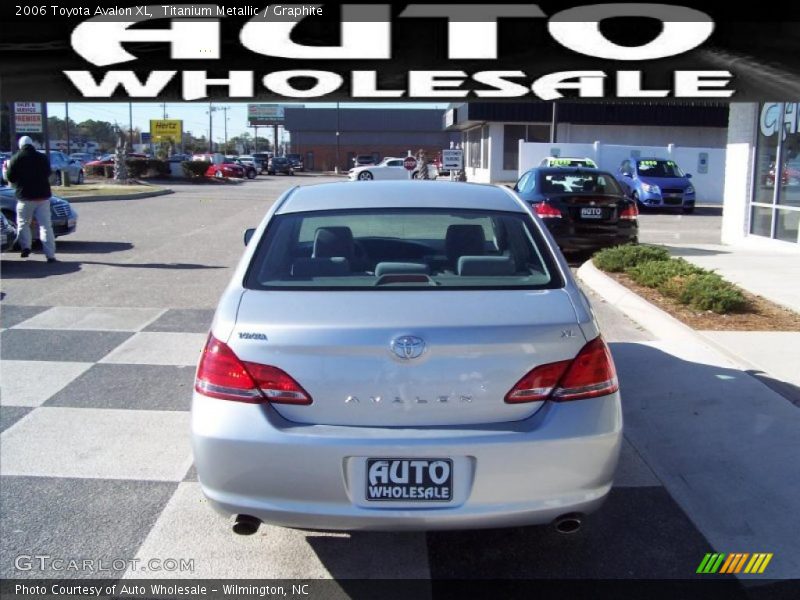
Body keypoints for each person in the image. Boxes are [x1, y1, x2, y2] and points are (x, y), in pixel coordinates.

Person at [5, 136, 57, 262]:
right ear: (32, 144)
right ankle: (50, 254)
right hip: (43, 196)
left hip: (25, 196)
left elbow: (10, 178)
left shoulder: (16, 158)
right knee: (46, 226)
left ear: (20, 145)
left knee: (23, 223)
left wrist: (6, 169)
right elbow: (48, 173)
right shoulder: (42, 157)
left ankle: (26, 247)